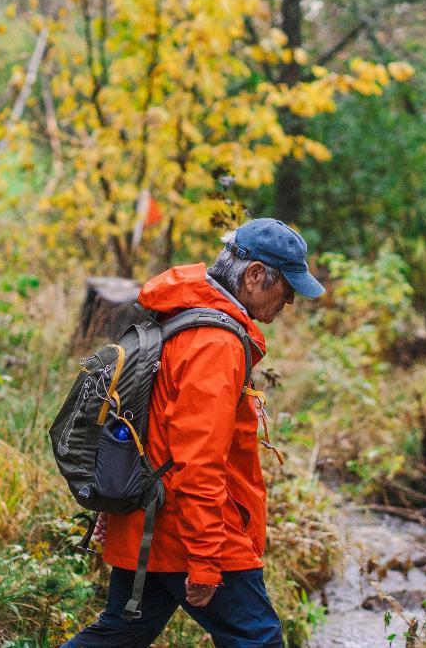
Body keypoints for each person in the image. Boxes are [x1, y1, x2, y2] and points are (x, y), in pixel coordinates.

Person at [64, 218, 325, 648]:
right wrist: (207, 559)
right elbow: (198, 460)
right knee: (258, 640)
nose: (291, 301)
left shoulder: (180, 317)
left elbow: (145, 425)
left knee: (121, 633)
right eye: (288, 288)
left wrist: (113, 514)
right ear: (256, 275)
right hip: (191, 532)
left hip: (149, 522)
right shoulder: (215, 344)